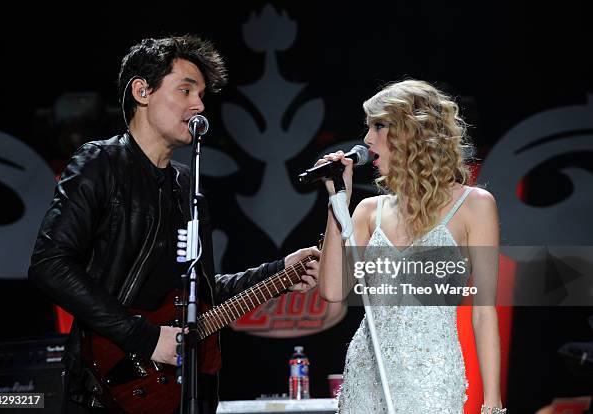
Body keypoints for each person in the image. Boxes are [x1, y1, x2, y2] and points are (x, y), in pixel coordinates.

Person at [28, 35, 319, 413]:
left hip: (176, 391)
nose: (198, 105)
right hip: (106, 386)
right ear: (142, 91)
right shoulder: (100, 162)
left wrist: (279, 272)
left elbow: (201, 294)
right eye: (185, 90)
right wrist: (145, 337)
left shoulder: (187, 187)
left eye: (201, 95)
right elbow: (49, 264)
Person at [317, 80, 504, 413]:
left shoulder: (475, 206)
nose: (367, 140)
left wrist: (492, 402)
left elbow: (484, 310)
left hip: (432, 377)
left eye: (379, 126)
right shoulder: (368, 211)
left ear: (411, 131)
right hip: (366, 376)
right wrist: (338, 202)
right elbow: (333, 289)